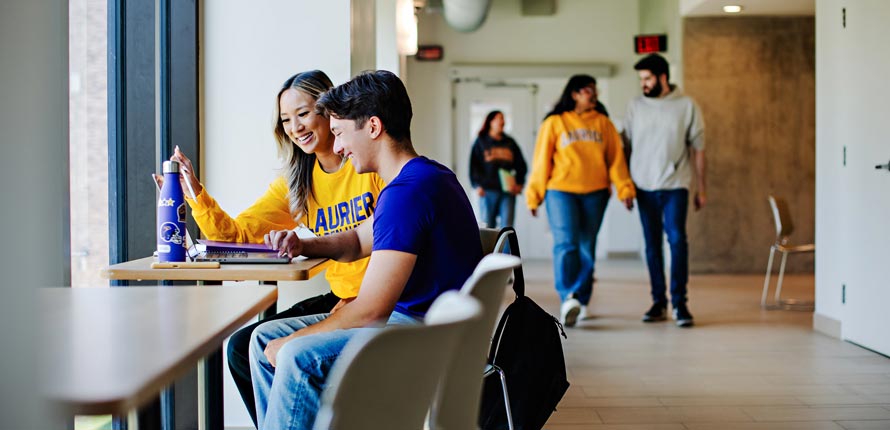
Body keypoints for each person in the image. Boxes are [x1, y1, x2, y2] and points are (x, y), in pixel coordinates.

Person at [248, 70, 483, 430]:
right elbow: (359, 241)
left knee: (294, 354)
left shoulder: (407, 194)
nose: (338, 147)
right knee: (262, 339)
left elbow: (371, 311)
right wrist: (304, 243)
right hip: (427, 325)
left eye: (340, 133)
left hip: (417, 334)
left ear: (373, 127)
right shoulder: (425, 177)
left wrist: (293, 341)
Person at [162, 70, 386, 426]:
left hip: (377, 301)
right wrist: (194, 194)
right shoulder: (296, 183)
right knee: (241, 349)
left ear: (328, 110)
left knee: (265, 349)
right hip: (342, 296)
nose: (295, 127)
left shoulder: (367, 163)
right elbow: (236, 237)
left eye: (303, 113)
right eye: (286, 120)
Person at [526, 74, 635, 328]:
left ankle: (581, 300)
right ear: (574, 93)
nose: (593, 94)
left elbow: (616, 160)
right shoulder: (555, 123)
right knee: (566, 243)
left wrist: (625, 189)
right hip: (561, 192)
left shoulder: (603, 124)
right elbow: (541, 161)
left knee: (587, 246)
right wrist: (535, 195)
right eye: (587, 90)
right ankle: (568, 297)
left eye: (594, 90)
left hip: (595, 193)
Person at [622, 54, 706, 328]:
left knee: (677, 240)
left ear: (662, 77)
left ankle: (680, 303)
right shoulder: (635, 106)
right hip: (643, 187)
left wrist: (701, 187)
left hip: (675, 186)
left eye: (647, 78)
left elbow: (698, 148)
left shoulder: (686, 105)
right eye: (641, 80)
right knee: (651, 246)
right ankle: (659, 301)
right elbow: (625, 148)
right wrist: (625, 186)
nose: (643, 84)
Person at [469, 110, 527, 228]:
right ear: (491, 122)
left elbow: (521, 165)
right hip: (487, 191)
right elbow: (474, 165)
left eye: (503, 119)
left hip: (507, 191)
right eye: (499, 118)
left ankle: (506, 248)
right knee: (488, 227)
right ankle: (490, 248)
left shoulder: (510, 143)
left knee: (507, 227)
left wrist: (519, 184)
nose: (503, 121)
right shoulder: (481, 142)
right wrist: (477, 185)